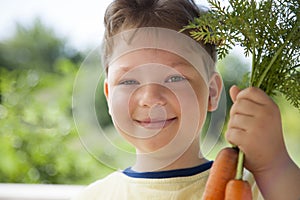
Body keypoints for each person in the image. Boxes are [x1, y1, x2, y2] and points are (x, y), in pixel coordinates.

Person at [73, 0, 300, 199]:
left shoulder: (255, 188)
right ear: (109, 95)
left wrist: (274, 165)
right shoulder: (94, 196)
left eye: (174, 78)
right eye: (129, 81)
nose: (151, 98)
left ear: (212, 93)